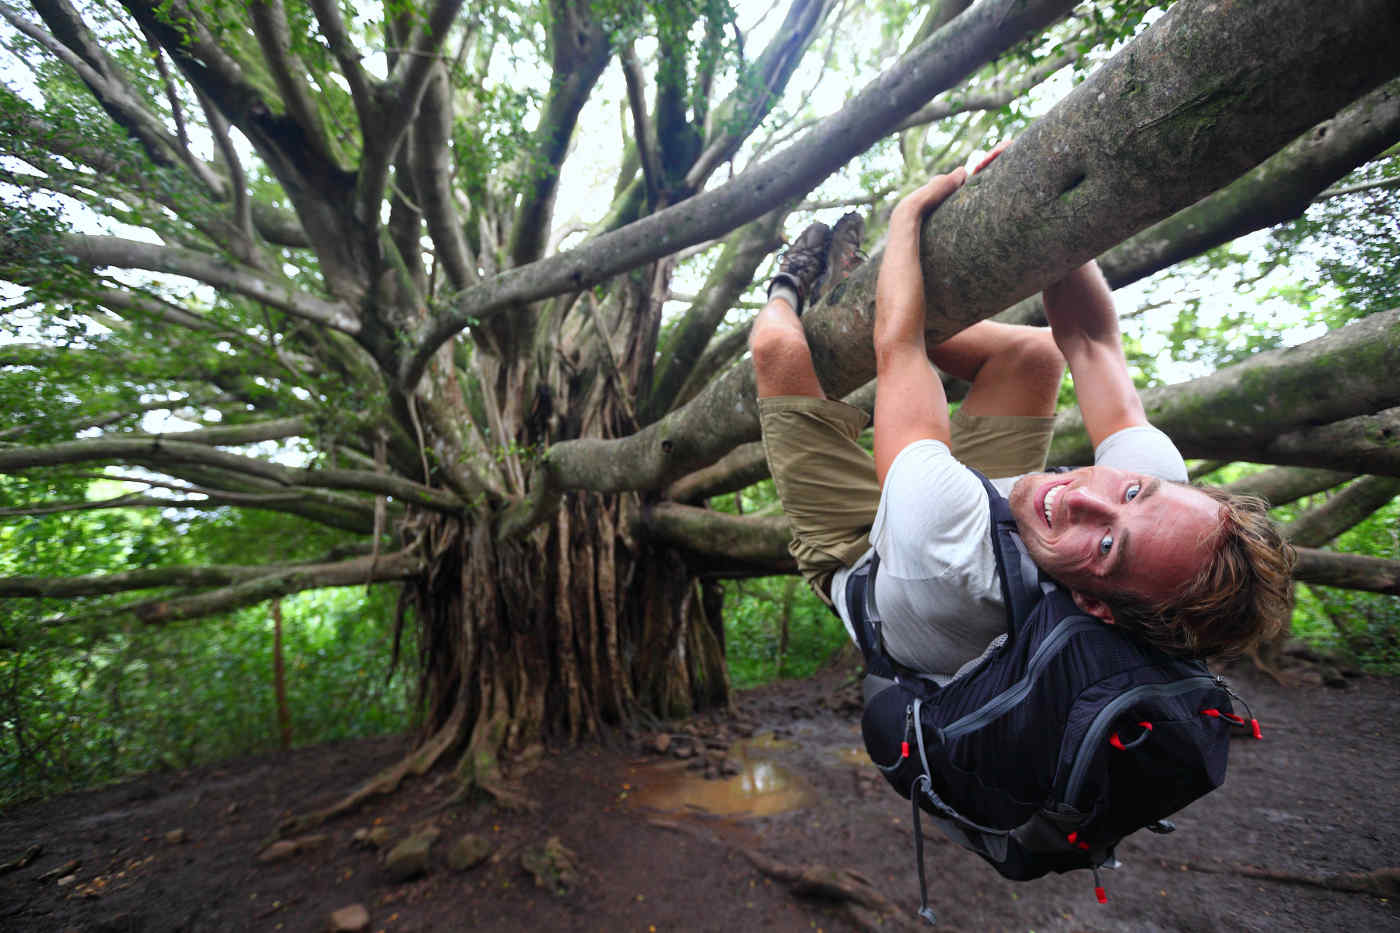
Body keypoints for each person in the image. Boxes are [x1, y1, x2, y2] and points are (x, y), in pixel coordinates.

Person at [751, 150, 1295, 678]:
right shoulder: (1162, 506)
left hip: (864, 557)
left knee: (779, 351)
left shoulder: (949, 556)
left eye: (1106, 547)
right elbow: (1090, 338)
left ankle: (787, 284)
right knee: (1035, 355)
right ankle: (866, 287)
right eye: (1130, 493)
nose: (1079, 496)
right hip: (983, 510)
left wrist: (908, 217)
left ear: (1095, 606)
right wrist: (1040, 194)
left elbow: (901, 348)